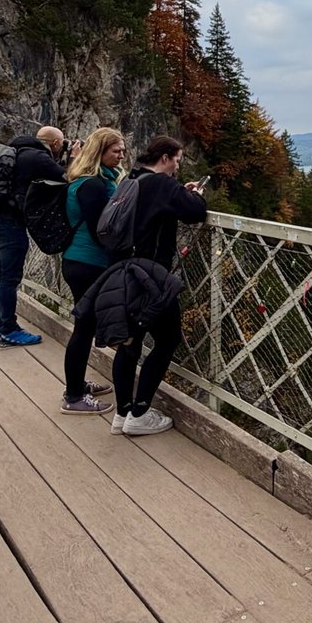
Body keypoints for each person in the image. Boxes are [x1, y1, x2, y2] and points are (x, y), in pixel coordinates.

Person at [108, 135, 207, 436]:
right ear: (165, 158)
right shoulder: (162, 185)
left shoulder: (131, 179)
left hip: (122, 272)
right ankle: (139, 414)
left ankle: (121, 412)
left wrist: (181, 192)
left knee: (129, 344)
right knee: (167, 339)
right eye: (177, 160)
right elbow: (195, 213)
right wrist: (197, 195)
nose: (178, 166)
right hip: (151, 277)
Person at [59, 128, 124, 414]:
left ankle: (76, 385)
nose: (121, 155)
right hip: (88, 262)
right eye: (115, 151)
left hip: (81, 260)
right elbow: (101, 229)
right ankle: (73, 397)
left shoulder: (89, 181)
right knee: (84, 329)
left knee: (84, 327)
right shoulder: (93, 185)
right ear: (100, 151)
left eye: (122, 150)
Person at [0, 125, 65, 347]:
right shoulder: (37, 157)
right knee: (9, 278)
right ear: (55, 143)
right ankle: (9, 329)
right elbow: (67, 176)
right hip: (9, 223)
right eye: (61, 144)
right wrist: (74, 157)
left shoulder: (13, 151)